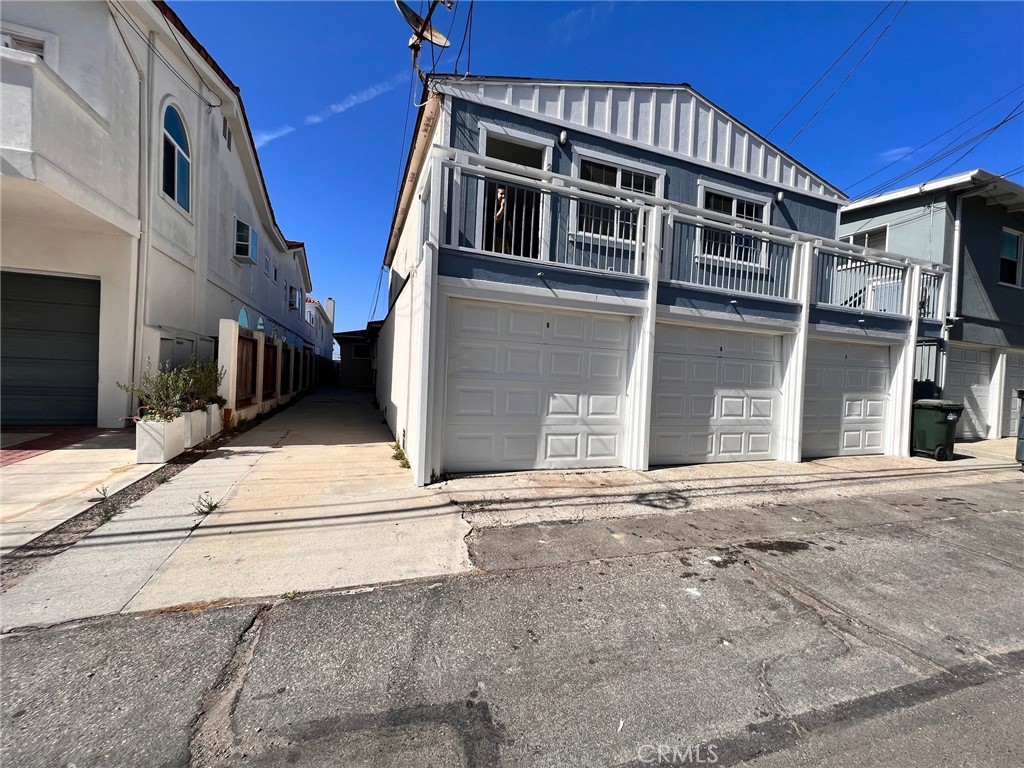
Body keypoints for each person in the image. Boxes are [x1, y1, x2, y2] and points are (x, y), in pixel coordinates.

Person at [494, 185, 514, 254]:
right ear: (497, 195)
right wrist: (502, 207)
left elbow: (509, 224)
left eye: (504, 194)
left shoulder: (508, 208)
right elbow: (496, 219)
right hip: (496, 237)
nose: (503, 196)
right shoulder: (494, 205)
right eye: (501, 194)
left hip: (505, 237)